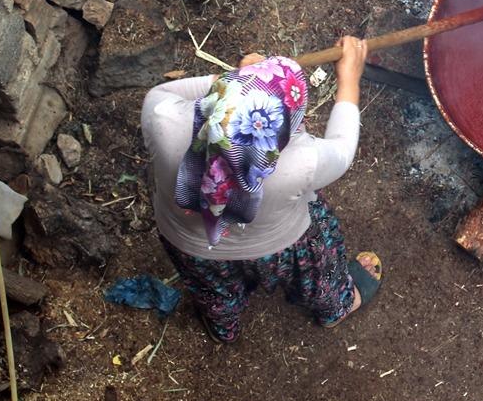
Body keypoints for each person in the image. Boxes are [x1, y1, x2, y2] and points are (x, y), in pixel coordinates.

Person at [140, 37, 380, 343]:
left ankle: (223, 326)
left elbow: (192, 90)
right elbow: (343, 149)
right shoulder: (301, 161)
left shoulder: (161, 114)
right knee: (318, 263)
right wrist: (349, 80)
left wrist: (247, 81)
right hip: (278, 247)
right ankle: (336, 305)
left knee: (213, 291)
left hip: (189, 245)